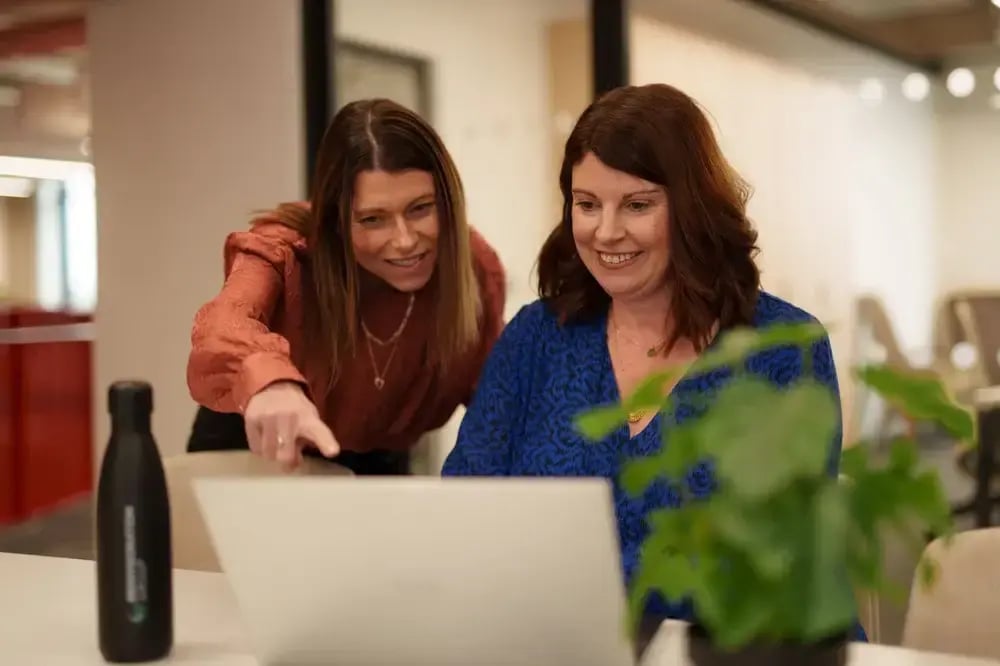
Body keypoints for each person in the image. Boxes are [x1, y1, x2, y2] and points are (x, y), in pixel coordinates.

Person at [442, 84, 866, 640]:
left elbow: (782, 561)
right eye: (586, 204)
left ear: (691, 209)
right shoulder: (536, 337)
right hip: (560, 645)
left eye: (637, 205)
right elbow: (464, 513)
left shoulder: (783, 348)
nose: (605, 231)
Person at [186, 98, 506, 475]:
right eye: (372, 219)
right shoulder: (283, 250)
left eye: (421, 208)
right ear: (336, 221)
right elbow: (224, 323)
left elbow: (496, 398)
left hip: (379, 462)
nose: (405, 241)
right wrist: (269, 383)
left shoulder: (475, 267)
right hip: (259, 447)